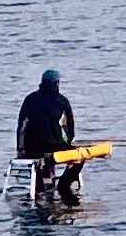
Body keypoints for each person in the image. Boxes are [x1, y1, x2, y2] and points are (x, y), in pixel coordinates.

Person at [17, 70, 81, 206]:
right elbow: (70, 129)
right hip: (56, 147)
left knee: (43, 157)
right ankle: (63, 185)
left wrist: (20, 149)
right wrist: (68, 142)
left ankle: (41, 183)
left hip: (31, 148)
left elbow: (21, 126)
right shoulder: (62, 101)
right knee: (80, 157)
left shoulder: (29, 99)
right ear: (57, 84)